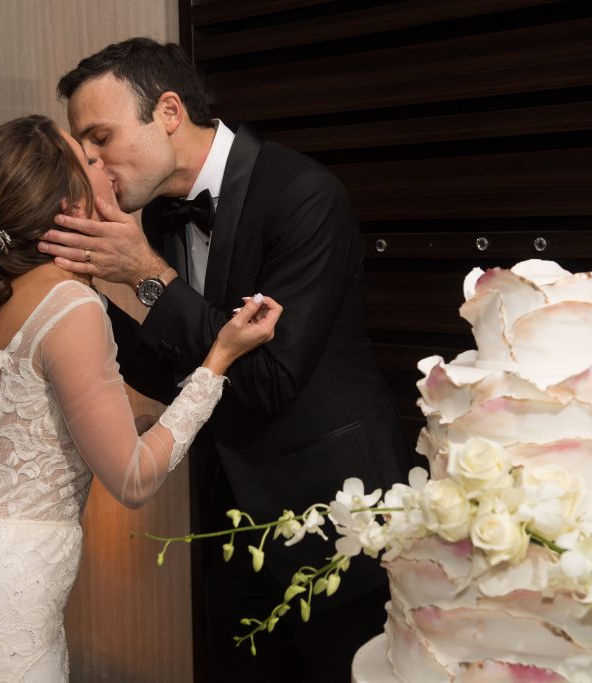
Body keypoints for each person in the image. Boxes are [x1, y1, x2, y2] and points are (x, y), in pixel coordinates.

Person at [38, 38, 417, 682]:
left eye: (100, 137)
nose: (93, 162)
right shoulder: (153, 216)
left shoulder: (303, 194)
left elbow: (270, 380)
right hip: (229, 529)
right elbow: (174, 374)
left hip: (340, 523)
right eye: (85, 147)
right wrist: (83, 296)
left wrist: (152, 278)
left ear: (167, 111)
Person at [0, 114, 280, 682]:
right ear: (72, 209)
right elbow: (132, 480)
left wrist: (143, 419)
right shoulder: (70, 307)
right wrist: (218, 358)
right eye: (90, 160)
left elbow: (42, 426)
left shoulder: (1, 294)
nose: (103, 164)